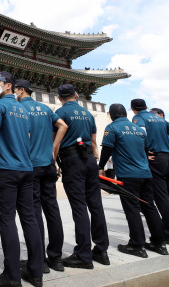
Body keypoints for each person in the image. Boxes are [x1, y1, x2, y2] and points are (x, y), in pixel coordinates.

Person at [0, 71, 43, 287]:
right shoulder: (23, 109)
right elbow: (27, 138)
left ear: (8, 86)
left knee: (7, 220)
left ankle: (12, 276)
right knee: (29, 219)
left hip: (5, 169)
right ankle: (36, 273)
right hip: (26, 169)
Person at [99, 104, 167, 258]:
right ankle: (159, 243)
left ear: (111, 115)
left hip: (128, 175)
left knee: (132, 209)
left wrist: (101, 166)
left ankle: (137, 244)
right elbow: (145, 150)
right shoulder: (138, 129)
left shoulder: (112, 128)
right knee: (149, 206)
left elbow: (107, 148)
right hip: (145, 173)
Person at [15, 79, 67, 273]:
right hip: (48, 165)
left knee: (34, 211)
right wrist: (54, 148)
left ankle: (39, 261)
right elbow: (63, 126)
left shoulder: (19, 109)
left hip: (31, 165)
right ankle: (56, 258)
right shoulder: (45, 109)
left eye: (15, 90)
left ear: (21, 91)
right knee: (52, 209)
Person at [55, 84, 109, 270]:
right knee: (96, 205)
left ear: (59, 97)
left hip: (72, 159)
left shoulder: (60, 113)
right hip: (90, 160)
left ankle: (83, 254)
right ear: (76, 95)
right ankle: (101, 249)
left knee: (79, 207)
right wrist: (97, 164)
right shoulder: (87, 114)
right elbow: (94, 142)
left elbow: (57, 140)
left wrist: (54, 162)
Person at [131, 99, 169, 245]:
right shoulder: (159, 118)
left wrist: (144, 152)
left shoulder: (139, 117)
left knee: (162, 196)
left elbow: (141, 133)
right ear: (146, 106)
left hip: (155, 158)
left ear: (133, 109)